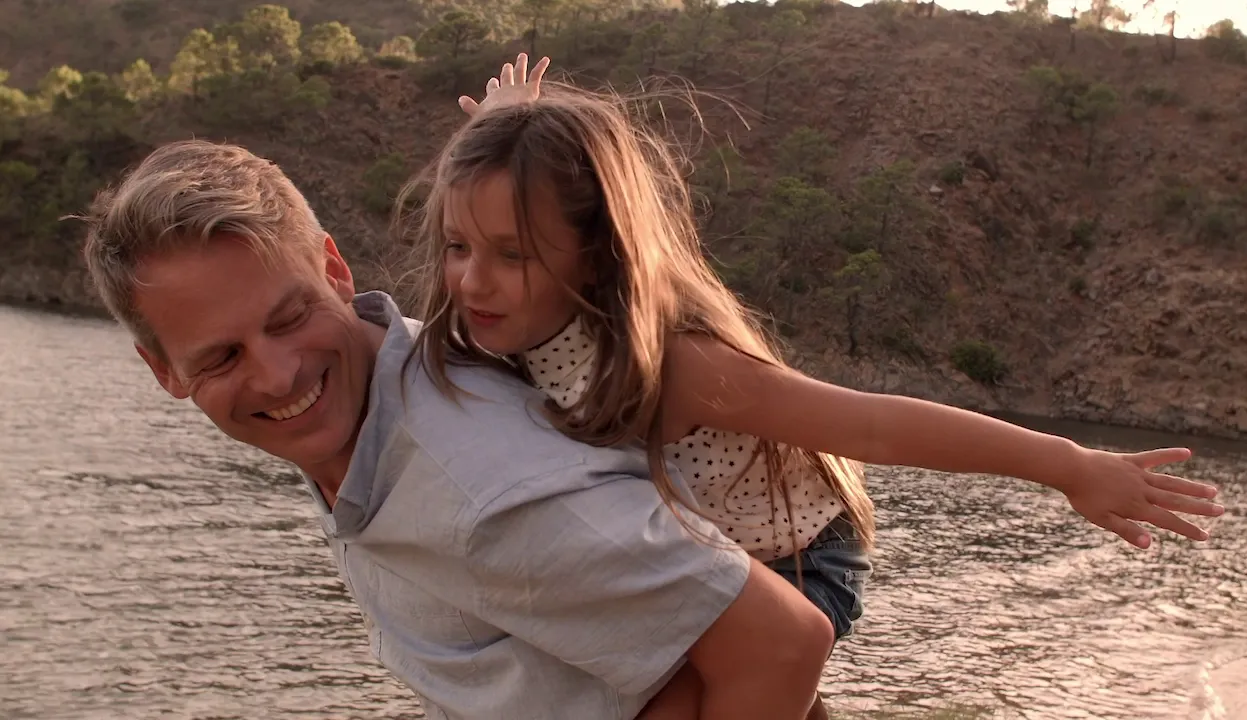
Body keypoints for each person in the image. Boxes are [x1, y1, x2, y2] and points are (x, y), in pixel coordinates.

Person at [398, 53, 1228, 718]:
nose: (473, 282)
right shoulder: (495, 333)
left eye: (513, 256)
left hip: (801, 563)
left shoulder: (679, 365)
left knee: (674, 693)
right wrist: (508, 123)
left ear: (596, 250)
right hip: (706, 553)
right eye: (458, 247)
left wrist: (1070, 466)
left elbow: (873, 426)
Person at [77, 139, 837, 720]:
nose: (277, 376)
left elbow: (783, 642)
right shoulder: (368, 408)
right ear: (164, 370)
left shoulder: (489, 490)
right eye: (223, 355)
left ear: (335, 270)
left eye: (289, 316)